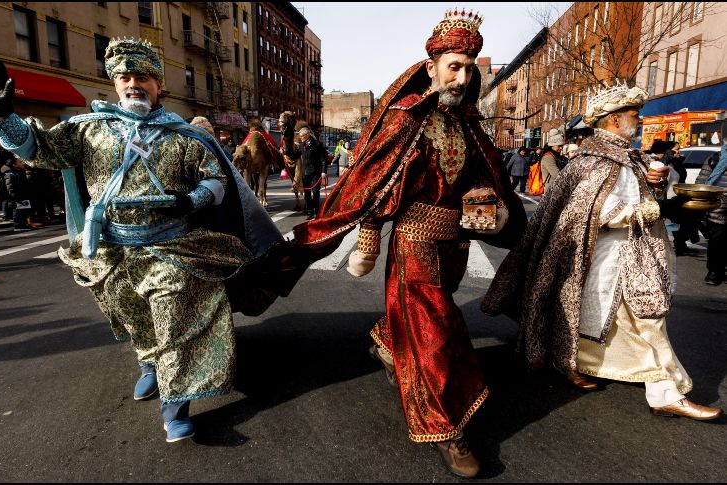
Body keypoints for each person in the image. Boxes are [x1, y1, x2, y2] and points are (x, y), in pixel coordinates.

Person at [0, 38, 285, 443]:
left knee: (174, 319)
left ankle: (175, 406)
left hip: (171, 247)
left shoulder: (185, 136)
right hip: (112, 250)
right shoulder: (86, 130)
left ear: (158, 84)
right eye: (124, 77)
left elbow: (215, 178)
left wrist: (191, 199)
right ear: (115, 83)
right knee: (136, 317)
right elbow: (39, 149)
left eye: (142, 76)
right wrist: (0, 116)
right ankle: (149, 365)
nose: (132, 83)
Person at [285, 9, 526, 478]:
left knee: (422, 322)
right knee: (438, 331)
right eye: (453, 66)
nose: (461, 76)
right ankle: (447, 428)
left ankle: (386, 340)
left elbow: (483, 178)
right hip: (414, 242)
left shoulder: (470, 124)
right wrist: (369, 238)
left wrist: (489, 211)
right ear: (432, 66)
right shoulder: (406, 117)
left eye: (468, 67)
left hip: (454, 245)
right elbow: (375, 182)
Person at [482, 83, 722, 421]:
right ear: (612, 120)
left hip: (634, 257)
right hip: (607, 260)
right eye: (633, 116)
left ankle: (650, 385)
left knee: (631, 321)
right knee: (638, 321)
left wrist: (654, 186)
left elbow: (625, 197)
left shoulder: (627, 157)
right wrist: (655, 210)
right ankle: (664, 391)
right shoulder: (592, 162)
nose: (638, 121)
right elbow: (595, 210)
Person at [696, 147, 727, 285]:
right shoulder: (715, 158)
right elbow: (701, 182)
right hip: (718, 207)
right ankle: (715, 271)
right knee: (717, 240)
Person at [298, 126, 327, 220]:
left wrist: (323, 172)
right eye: (300, 136)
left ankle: (316, 211)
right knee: (307, 193)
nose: (300, 137)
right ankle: (310, 212)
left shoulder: (317, 144)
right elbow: (296, 155)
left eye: (301, 136)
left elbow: (323, 159)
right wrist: (285, 153)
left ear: (307, 135)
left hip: (315, 172)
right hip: (305, 173)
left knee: (315, 192)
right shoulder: (301, 145)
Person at [2, 157, 33, 231]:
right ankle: (18, 225)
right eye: (20, 162)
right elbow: (10, 186)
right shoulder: (10, 173)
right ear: (14, 165)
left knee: (24, 211)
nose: (22, 163)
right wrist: (14, 195)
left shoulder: (21, 171)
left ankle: (23, 223)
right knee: (18, 211)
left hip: (23, 194)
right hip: (16, 196)